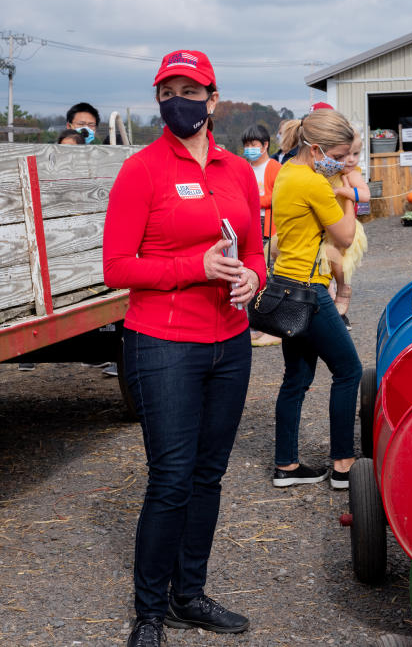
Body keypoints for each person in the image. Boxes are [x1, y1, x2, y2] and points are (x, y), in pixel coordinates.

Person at [103, 49, 266, 647]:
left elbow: (252, 247)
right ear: (159, 100)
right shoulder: (142, 170)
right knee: (170, 479)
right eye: (169, 90)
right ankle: (149, 612)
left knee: (209, 476)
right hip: (164, 343)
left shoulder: (237, 170)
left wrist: (256, 278)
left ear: (213, 99)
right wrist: (191, 266)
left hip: (230, 342)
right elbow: (116, 266)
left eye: (191, 91)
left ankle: (188, 594)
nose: (180, 100)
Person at [270, 108, 363, 490]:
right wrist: (349, 193)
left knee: (298, 376)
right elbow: (344, 236)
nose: (341, 164)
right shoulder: (312, 182)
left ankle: (286, 466)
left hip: (285, 285)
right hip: (309, 291)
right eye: (338, 158)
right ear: (316, 149)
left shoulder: (287, 172)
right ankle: (343, 465)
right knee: (349, 370)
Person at [320, 128, 370, 329]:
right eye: (346, 155)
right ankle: (330, 303)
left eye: (356, 154)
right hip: (329, 226)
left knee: (340, 263)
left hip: (346, 226)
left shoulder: (354, 176)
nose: (351, 160)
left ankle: (343, 290)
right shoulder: (329, 172)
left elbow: (365, 195)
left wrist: (343, 190)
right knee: (327, 262)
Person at [241, 124, 283, 347]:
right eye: (246, 145)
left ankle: (270, 324)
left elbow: (277, 197)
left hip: (268, 228)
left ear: (265, 145)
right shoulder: (243, 167)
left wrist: (254, 201)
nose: (249, 149)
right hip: (249, 227)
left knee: (270, 275)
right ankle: (253, 323)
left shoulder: (274, 167)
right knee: (249, 273)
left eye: (253, 144)